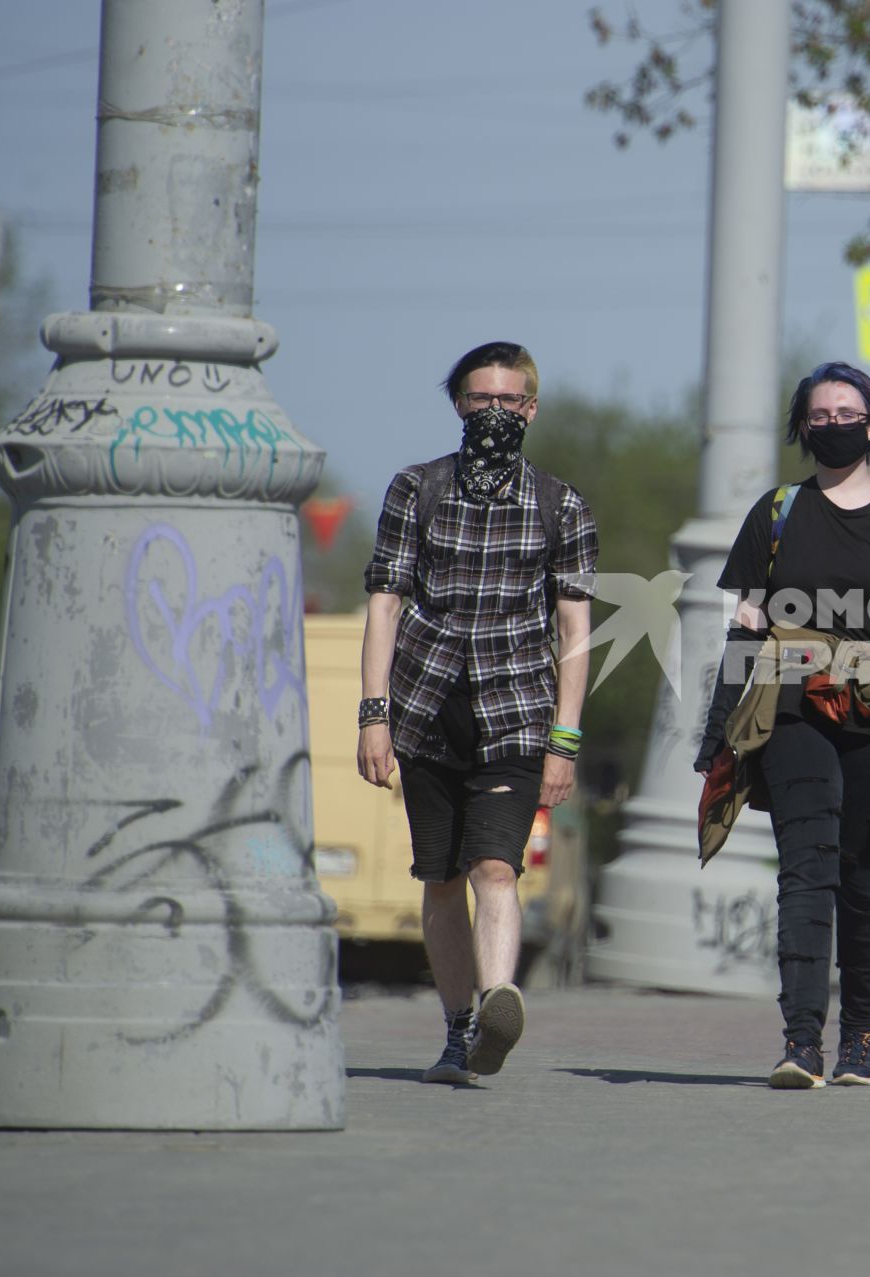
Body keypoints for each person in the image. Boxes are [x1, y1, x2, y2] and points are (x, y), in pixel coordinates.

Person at [695, 361, 870, 1089]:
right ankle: (801, 1041)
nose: (834, 423)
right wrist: (718, 728)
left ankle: (860, 1039)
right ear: (802, 427)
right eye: (820, 414)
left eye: (848, 412)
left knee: (863, 878)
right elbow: (744, 633)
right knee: (807, 868)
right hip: (792, 705)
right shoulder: (775, 513)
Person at [358, 341, 598, 1084]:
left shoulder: (562, 503)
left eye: (509, 400)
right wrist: (374, 714)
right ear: (459, 404)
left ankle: (498, 1002)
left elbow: (575, 631)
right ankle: (460, 1029)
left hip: (518, 710)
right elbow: (385, 603)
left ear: (530, 407)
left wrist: (565, 740)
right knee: (439, 878)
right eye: (480, 399)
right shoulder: (415, 489)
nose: (495, 413)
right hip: (427, 707)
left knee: (496, 866)